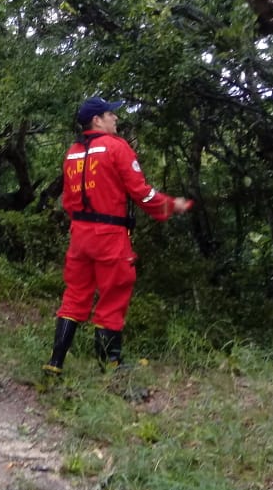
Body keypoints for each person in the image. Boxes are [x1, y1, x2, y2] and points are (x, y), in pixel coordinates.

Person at [43, 97, 193, 377]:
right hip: (109, 235)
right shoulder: (116, 147)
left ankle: (55, 363)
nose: (116, 119)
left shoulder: (73, 152)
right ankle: (110, 364)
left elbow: (68, 200)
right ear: (97, 120)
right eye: (111, 114)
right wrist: (172, 205)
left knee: (75, 296)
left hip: (79, 235)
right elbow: (141, 192)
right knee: (114, 293)